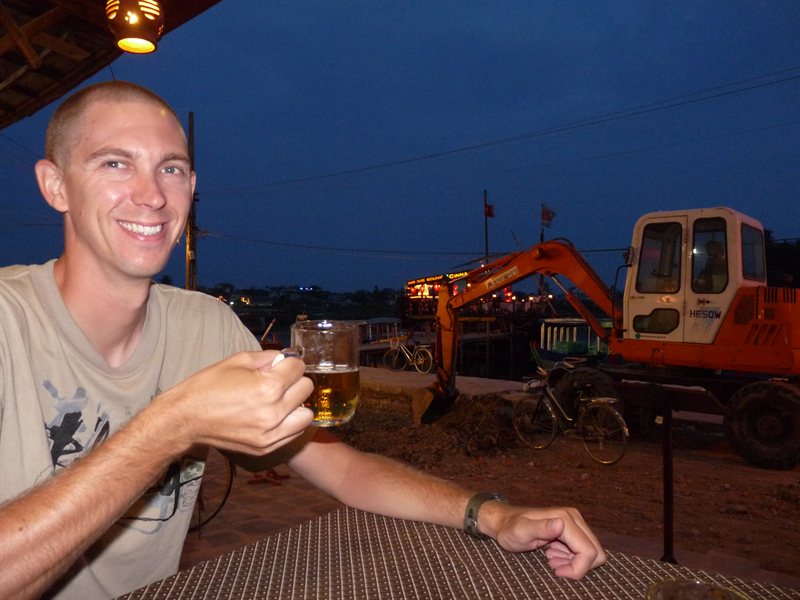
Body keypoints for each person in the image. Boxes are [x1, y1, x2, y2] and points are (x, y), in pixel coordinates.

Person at [0, 81, 606, 598]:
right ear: (54, 186)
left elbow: (339, 467)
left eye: (172, 169)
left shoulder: (205, 327)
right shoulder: (8, 324)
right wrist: (171, 425)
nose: (153, 195)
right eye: (114, 163)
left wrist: (492, 514)